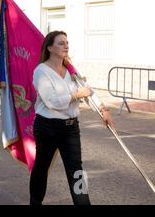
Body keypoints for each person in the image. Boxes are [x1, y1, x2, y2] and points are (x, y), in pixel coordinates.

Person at [30, 30, 114, 205]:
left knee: (77, 171)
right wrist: (76, 95)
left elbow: (88, 90)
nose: (66, 46)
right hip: (47, 127)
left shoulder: (71, 69)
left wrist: (102, 108)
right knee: (41, 167)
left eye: (67, 43)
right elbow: (53, 102)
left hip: (70, 128)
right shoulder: (41, 71)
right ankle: (35, 202)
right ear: (50, 47)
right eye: (61, 43)